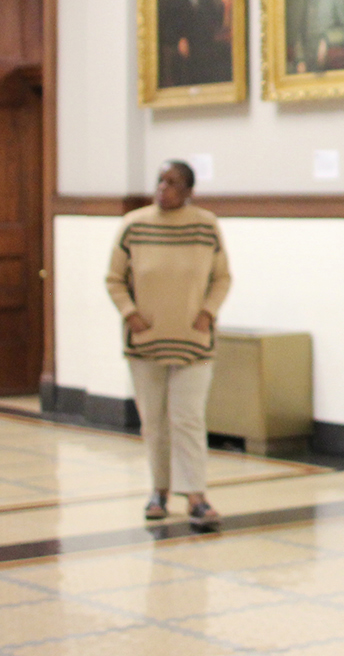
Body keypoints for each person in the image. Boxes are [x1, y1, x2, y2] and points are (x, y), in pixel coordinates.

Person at [105, 160, 232, 530]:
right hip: (146, 341)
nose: (163, 188)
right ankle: (159, 491)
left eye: (173, 182)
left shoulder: (205, 226)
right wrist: (131, 314)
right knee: (155, 422)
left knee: (188, 418)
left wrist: (207, 313)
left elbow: (222, 278)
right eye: (160, 180)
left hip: (193, 340)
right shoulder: (134, 225)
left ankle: (196, 495)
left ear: (189, 190)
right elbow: (114, 278)